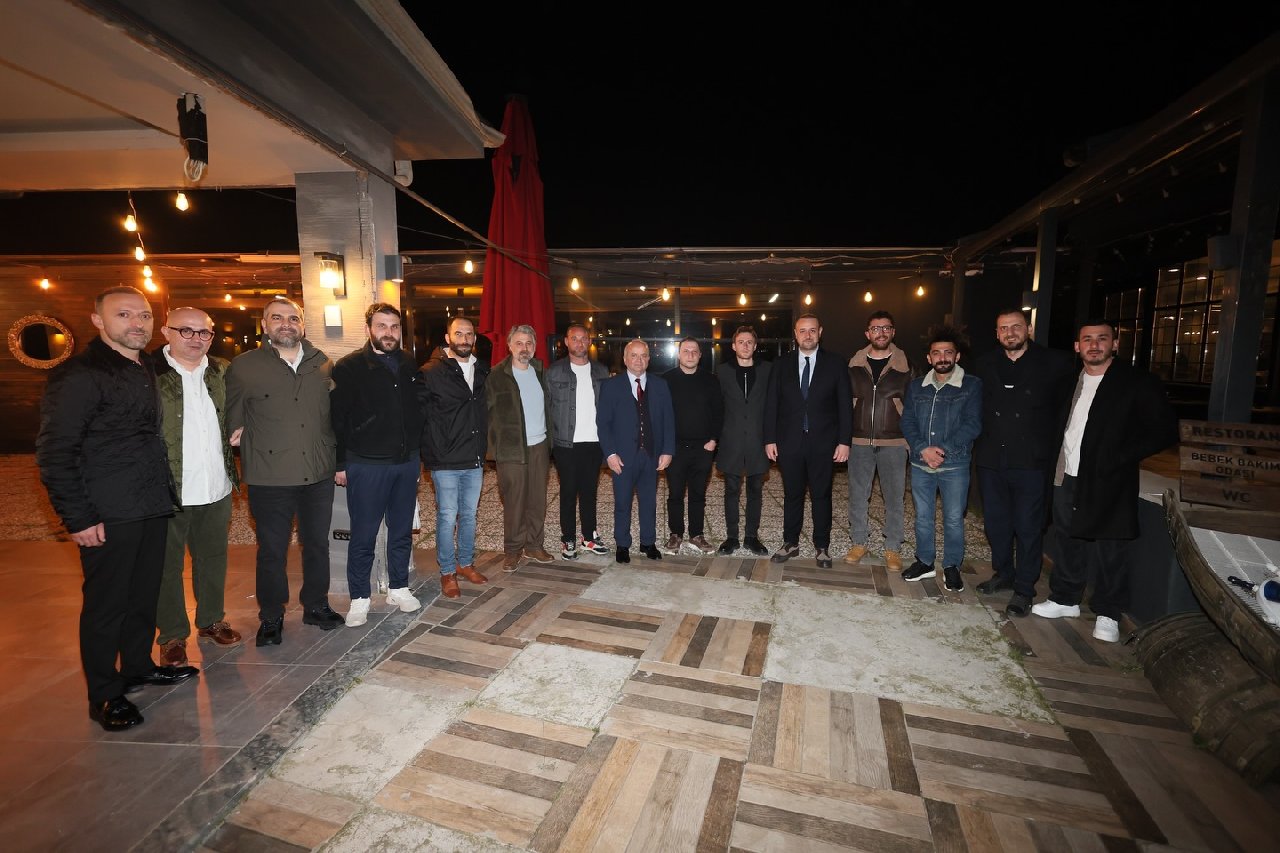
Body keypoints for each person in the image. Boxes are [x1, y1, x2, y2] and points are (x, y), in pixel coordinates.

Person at [36, 286, 196, 732]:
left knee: (143, 595)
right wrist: (79, 517)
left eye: (143, 315)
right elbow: (55, 451)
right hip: (107, 511)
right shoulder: (79, 375)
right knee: (107, 606)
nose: (136, 323)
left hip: (150, 502)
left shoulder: (145, 367)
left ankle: (138, 666)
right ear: (98, 321)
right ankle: (105, 694)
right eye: (123, 315)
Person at [1032, 319, 1178, 642]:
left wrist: (1120, 456)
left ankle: (1108, 612)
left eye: (1102, 339)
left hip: (1110, 479)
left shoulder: (1136, 382)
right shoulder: (1069, 382)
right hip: (1066, 473)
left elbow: (1164, 430)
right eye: (1087, 339)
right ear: (1077, 346)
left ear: (1115, 344)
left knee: (1111, 546)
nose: (1094, 345)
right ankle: (1065, 598)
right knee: (1067, 539)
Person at [226, 297, 344, 646]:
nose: (286, 324)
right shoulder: (244, 367)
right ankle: (271, 615)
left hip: (317, 473)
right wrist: (234, 433)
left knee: (317, 544)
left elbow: (334, 415)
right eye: (277, 318)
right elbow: (232, 417)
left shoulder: (322, 363)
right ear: (265, 325)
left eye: (293, 318)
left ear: (302, 325)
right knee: (272, 550)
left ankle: (316, 605)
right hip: (270, 476)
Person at [971, 308, 1075, 617]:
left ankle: (1025, 588)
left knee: (1028, 527)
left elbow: (1064, 410)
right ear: (997, 333)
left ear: (1028, 329)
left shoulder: (1054, 363)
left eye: (1016, 327)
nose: (1010, 333)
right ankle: (1004, 572)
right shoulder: (984, 363)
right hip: (992, 458)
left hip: (1031, 460)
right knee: (996, 523)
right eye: (1004, 328)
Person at [153, 307, 240, 667]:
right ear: (166, 332)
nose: (195, 339)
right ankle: (172, 635)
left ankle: (211, 621)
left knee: (212, 558)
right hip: (167, 488)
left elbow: (242, 408)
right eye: (185, 331)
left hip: (214, 484)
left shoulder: (222, 370)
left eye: (204, 333)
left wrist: (242, 426)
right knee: (165, 566)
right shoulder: (149, 374)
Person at [330, 303, 425, 628]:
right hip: (366, 465)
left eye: (394, 326)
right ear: (369, 329)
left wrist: (417, 453)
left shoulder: (409, 362)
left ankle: (398, 587)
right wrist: (340, 463)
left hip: (405, 462)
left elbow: (418, 409)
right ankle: (360, 597)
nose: (389, 332)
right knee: (364, 534)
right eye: (382, 326)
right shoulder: (349, 367)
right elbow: (337, 418)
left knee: (401, 531)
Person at [763, 313, 852, 568]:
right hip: (789, 442)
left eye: (812, 330)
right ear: (795, 334)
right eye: (802, 331)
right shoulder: (781, 364)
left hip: (823, 443)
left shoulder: (835, 364)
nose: (808, 335)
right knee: (792, 494)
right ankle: (790, 542)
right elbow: (772, 404)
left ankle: (822, 546)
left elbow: (845, 405)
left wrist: (844, 442)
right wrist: (769, 439)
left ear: (820, 332)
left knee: (821, 495)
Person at [900, 325, 983, 592]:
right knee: (923, 517)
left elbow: (972, 424)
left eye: (948, 352)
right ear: (929, 358)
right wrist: (923, 448)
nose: (942, 357)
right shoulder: (917, 387)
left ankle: (951, 566)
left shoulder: (971, 385)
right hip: (921, 463)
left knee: (954, 518)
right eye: (937, 353)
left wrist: (941, 450)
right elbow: (907, 421)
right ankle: (925, 562)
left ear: (957, 356)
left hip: (954, 464)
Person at [418, 315, 490, 599]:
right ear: (448, 338)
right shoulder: (431, 372)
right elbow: (421, 417)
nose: (464, 339)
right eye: (459, 334)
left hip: (474, 457)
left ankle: (466, 563)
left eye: (469, 334)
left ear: (475, 338)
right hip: (445, 459)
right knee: (448, 517)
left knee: (470, 515)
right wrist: (430, 453)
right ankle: (447, 571)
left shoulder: (482, 369)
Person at [844, 310, 913, 572]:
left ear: (893, 332)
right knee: (857, 495)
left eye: (886, 328)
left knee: (894, 498)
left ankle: (892, 546)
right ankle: (858, 542)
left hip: (894, 442)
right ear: (867, 333)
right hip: (859, 440)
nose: (880, 333)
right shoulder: (853, 366)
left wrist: (910, 440)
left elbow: (914, 407)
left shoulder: (906, 367)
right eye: (875, 328)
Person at [597, 339, 674, 563]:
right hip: (622, 457)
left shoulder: (661, 386)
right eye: (633, 355)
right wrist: (610, 454)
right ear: (625, 359)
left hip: (651, 455)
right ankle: (622, 544)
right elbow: (603, 423)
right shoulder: (611, 386)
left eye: (643, 356)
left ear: (648, 359)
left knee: (649, 502)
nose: (638, 360)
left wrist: (668, 451)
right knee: (622, 503)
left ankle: (648, 542)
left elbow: (669, 421)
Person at [486, 324, 554, 571]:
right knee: (514, 502)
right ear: (509, 346)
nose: (524, 348)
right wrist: (494, 451)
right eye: (519, 343)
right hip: (511, 450)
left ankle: (534, 545)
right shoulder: (496, 376)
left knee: (537, 499)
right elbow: (487, 416)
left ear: (534, 346)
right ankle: (513, 550)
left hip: (539, 446)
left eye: (529, 343)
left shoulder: (541, 372)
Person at [545, 323, 610, 559]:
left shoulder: (601, 371)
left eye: (584, 338)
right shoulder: (554, 372)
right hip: (566, 444)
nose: (579, 342)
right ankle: (568, 539)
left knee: (590, 492)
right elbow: (546, 409)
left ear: (590, 341)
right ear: (566, 341)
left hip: (594, 442)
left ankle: (589, 537)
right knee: (568, 492)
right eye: (575, 338)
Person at [662, 337, 724, 555]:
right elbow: (660, 415)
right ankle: (675, 534)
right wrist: (665, 446)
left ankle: (696, 535)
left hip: (703, 448)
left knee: (698, 494)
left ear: (700, 355)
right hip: (675, 448)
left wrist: (713, 440)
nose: (690, 355)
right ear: (679, 354)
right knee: (675, 494)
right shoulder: (666, 380)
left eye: (694, 351)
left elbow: (719, 412)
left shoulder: (711, 380)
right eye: (686, 351)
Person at [715, 325, 771, 556]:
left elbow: (773, 406)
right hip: (731, 441)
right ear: (733, 346)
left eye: (749, 342)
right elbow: (717, 408)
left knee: (755, 490)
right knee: (731, 491)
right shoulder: (722, 371)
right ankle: (731, 537)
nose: (745, 346)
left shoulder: (768, 370)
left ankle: (751, 537)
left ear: (755, 346)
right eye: (741, 342)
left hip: (759, 441)